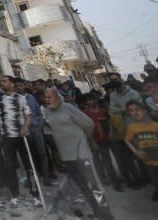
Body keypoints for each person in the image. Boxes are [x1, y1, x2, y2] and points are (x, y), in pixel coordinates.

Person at [43, 88, 114, 220]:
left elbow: (89, 124)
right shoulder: (47, 111)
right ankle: (98, 213)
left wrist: (83, 139)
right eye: (45, 98)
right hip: (66, 155)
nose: (47, 100)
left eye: (49, 97)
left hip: (81, 153)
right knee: (82, 186)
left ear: (57, 96)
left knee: (94, 186)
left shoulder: (68, 107)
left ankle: (107, 216)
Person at [0, 75, 38, 202]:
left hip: (22, 137)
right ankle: (15, 195)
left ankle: (35, 193)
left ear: (12, 84)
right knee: (10, 166)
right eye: (0, 81)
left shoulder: (21, 98)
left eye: (4, 81)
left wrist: (25, 127)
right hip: (6, 137)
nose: (2, 83)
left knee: (29, 166)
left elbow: (28, 116)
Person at [106, 72, 145, 188]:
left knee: (141, 153)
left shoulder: (133, 93)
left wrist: (122, 109)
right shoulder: (112, 95)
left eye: (115, 79)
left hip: (137, 126)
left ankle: (147, 177)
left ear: (121, 79)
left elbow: (138, 107)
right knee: (130, 155)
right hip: (123, 129)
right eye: (111, 80)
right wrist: (127, 108)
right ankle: (138, 178)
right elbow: (112, 110)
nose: (114, 81)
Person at [82, 94, 123, 190]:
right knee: (101, 160)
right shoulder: (85, 113)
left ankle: (115, 177)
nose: (91, 102)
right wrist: (92, 141)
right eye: (89, 100)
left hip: (107, 138)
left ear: (96, 100)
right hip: (95, 140)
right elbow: (85, 128)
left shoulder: (103, 111)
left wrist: (111, 133)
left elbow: (110, 122)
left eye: (92, 99)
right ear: (86, 102)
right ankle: (107, 179)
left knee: (112, 158)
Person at [16, 78, 51, 186]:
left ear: (24, 85)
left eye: (20, 85)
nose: (19, 87)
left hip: (36, 129)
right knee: (28, 156)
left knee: (42, 153)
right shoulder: (14, 99)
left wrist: (40, 124)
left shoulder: (31, 97)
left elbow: (39, 112)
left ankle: (46, 177)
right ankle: (32, 180)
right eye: (16, 85)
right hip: (24, 130)